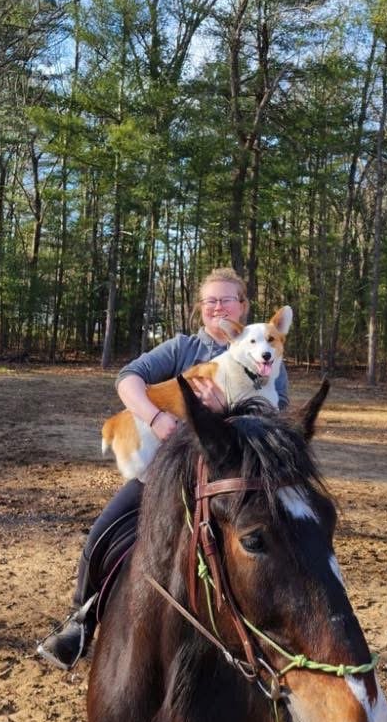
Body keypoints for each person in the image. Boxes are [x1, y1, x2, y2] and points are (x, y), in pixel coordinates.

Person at [37, 267, 289, 670]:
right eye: (210, 301)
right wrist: (156, 418)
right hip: (167, 468)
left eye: (226, 300)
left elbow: (275, 425)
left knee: (282, 541)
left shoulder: (267, 357)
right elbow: (128, 379)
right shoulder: (183, 347)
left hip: (229, 477)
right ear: (200, 308)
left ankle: (275, 634)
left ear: (242, 306)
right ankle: (80, 621)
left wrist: (224, 411)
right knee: (103, 531)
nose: (218, 307)